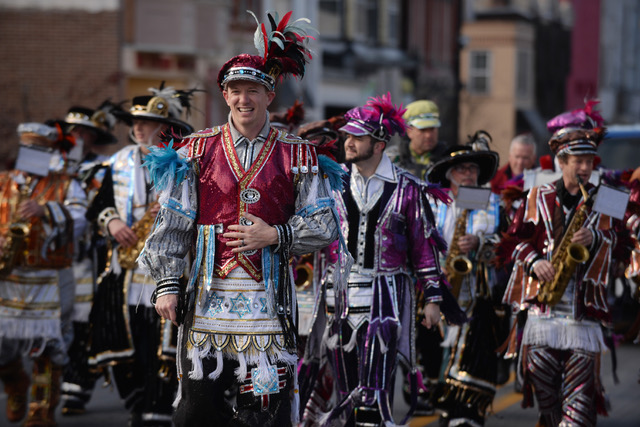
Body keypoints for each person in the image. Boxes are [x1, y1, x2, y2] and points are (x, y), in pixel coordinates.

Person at [139, 10, 339, 426]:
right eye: (235, 91)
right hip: (206, 301)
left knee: (263, 411)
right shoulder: (195, 149)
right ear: (225, 95)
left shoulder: (297, 154)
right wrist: (167, 285)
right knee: (196, 412)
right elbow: (172, 223)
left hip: (268, 304)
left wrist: (276, 234)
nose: (243, 99)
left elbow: (325, 226)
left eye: (253, 90)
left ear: (269, 95)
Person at [302, 93, 464, 426]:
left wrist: (433, 299)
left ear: (378, 145)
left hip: (385, 299)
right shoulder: (332, 182)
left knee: (374, 393)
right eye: (347, 136)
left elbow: (423, 247)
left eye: (357, 137)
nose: (348, 142)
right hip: (338, 298)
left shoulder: (408, 188)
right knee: (345, 391)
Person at [86, 85, 195, 426]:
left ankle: (157, 408)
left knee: (162, 344)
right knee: (126, 341)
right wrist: (112, 221)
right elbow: (99, 205)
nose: (138, 128)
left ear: (164, 126)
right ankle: (138, 401)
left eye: (146, 122)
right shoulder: (118, 162)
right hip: (127, 269)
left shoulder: (183, 159)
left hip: (169, 267)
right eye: (135, 122)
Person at [502, 104, 616, 426]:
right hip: (543, 312)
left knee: (578, 406)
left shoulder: (608, 196)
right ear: (561, 162)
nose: (585, 168)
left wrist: (596, 237)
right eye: (578, 161)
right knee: (546, 397)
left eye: (589, 161)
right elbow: (512, 241)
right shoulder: (535, 195)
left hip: (583, 316)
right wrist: (535, 261)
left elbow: (623, 244)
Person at [0, 122, 87, 426]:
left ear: (49, 151)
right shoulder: (4, 182)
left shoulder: (66, 184)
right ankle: (15, 382)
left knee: (48, 345)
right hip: (9, 278)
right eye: (28, 148)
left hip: (50, 277)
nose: (32, 153)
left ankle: (41, 410)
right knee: (2, 343)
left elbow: (80, 219)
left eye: (38, 149)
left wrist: (47, 210)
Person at [426, 131, 508, 426]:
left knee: (473, 355)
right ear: (450, 174)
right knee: (436, 358)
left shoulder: (493, 203)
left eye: (473, 168)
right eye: (462, 169)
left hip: (478, 294)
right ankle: (447, 408)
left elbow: (506, 243)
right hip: (438, 290)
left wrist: (480, 242)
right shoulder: (433, 202)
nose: (469, 174)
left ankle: (466, 413)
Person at [58, 101, 124, 415]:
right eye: (74, 131)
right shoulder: (50, 165)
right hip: (55, 254)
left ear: (94, 136)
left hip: (89, 254)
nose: (78, 137)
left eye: (85, 132)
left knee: (84, 319)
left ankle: (76, 385)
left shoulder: (103, 167)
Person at [386, 99, 448, 180]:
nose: (428, 135)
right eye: (422, 130)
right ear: (409, 131)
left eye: (432, 129)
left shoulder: (448, 158)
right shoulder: (391, 157)